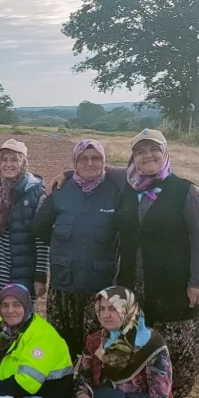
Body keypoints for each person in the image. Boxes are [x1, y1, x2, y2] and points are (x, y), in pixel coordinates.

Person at [115, 129, 199, 398]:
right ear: (133, 159)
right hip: (136, 286)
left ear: (165, 152)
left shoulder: (186, 191)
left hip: (174, 288)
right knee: (139, 347)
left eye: (153, 150)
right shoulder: (129, 188)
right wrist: (67, 173)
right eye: (140, 152)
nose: (148, 156)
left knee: (178, 351)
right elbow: (97, 170)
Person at [60, 286, 177, 398]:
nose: (106, 315)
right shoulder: (95, 341)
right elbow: (83, 378)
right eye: (101, 309)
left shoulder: (152, 344)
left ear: (127, 309)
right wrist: (82, 397)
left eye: (112, 309)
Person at [32, 139, 120, 361]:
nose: (90, 163)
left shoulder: (116, 192)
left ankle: (91, 393)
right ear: (75, 162)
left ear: (104, 161)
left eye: (96, 158)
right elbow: (39, 225)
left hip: (99, 289)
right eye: (83, 159)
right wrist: (61, 248)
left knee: (97, 350)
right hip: (64, 286)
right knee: (62, 348)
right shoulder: (61, 191)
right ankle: (64, 389)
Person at [0, 139, 49, 301]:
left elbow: (42, 238)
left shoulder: (36, 192)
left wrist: (40, 276)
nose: (9, 164)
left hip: (25, 268)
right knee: (4, 308)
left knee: (23, 311)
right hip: (1, 265)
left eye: (14, 159)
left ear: (23, 163)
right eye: (5, 160)